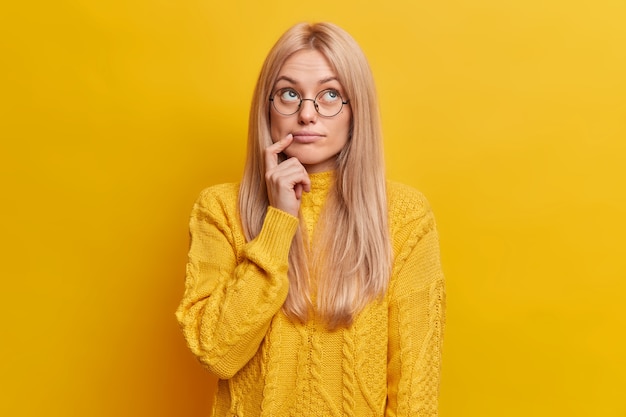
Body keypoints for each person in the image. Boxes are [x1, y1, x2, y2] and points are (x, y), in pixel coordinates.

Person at [176, 22, 445, 417]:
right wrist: (278, 222)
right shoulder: (218, 209)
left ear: (357, 112)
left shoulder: (404, 216)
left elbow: (414, 394)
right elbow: (217, 352)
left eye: (330, 95)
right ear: (266, 108)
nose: (306, 114)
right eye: (289, 93)